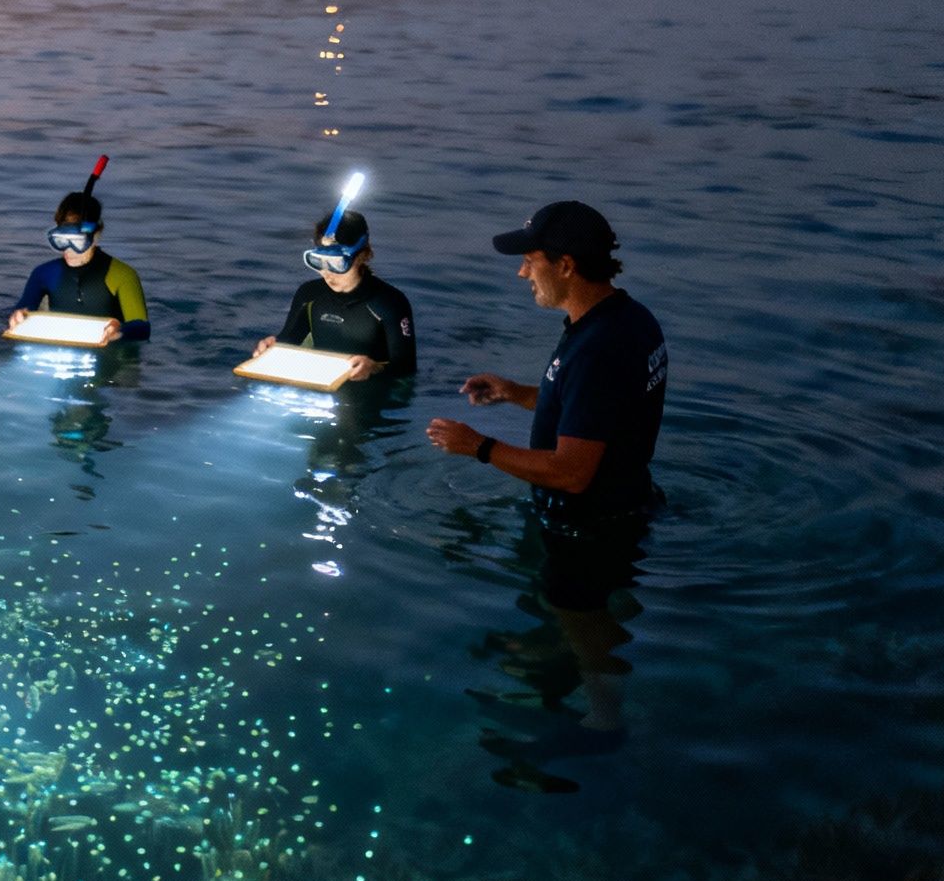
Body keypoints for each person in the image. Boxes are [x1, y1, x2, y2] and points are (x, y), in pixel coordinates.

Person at [426, 201, 667, 791]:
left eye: (530, 261)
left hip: (592, 523)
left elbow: (572, 472)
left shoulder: (601, 345)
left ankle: (605, 725)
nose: (521, 273)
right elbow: (590, 411)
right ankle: (561, 683)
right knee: (578, 619)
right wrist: (516, 394)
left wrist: (477, 447)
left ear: (564, 264)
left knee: (583, 622)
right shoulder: (623, 321)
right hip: (623, 503)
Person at [251, 209, 416, 379]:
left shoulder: (390, 303)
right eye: (319, 262)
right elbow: (289, 341)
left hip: (372, 389)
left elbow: (406, 368)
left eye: (336, 263)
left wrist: (373, 369)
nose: (327, 273)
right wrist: (273, 346)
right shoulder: (309, 295)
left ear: (363, 255)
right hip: (318, 384)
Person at [8, 190, 151, 342]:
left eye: (77, 241)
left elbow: (143, 327)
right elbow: (24, 307)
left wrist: (119, 330)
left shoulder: (123, 275)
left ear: (97, 234)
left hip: (108, 353)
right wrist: (18, 316)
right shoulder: (43, 273)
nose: (68, 250)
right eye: (61, 240)